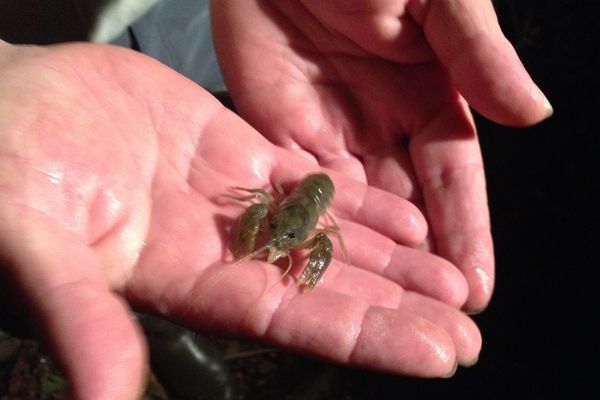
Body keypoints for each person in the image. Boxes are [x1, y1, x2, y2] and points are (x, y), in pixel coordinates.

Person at [0, 1, 552, 399]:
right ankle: (159, 328)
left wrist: (304, 265)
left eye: (287, 235)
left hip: (196, 29)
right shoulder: (271, 210)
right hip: (52, 38)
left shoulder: (311, 224)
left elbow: (315, 236)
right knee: (131, 235)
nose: (275, 234)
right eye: (279, 229)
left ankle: (154, 321)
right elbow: (257, 203)